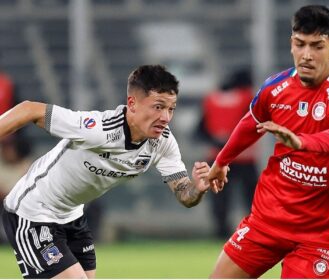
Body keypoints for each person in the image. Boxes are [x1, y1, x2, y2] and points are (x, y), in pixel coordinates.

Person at [207, 5, 329, 279]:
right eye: (300, 44)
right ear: (291, 44)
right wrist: (221, 161)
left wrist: (299, 141)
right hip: (268, 218)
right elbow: (251, 123)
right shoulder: (276, 87)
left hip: (320, 231)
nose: (307, 55)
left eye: (317, 46)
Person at [0, 65, 211, 279]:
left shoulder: (163, 143)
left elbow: (184, 194)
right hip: (32, 213)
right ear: (132, 104)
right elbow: (29, 109)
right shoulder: (98, 129)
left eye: (171, 109)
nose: (166, 117)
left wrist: (198, 187)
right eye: (158, 107)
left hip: (72, 217)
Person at [198, 69, 258, 239]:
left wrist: (217, 141)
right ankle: (253, 231)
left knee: (220, 199)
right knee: (251, 198)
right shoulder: (247, 98)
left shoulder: (211, 99)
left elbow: (200, 129)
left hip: (217, 157)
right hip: (244, 157)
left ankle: (220, 232)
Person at [0, 133, 32, 243]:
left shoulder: (27, 166)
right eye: (4, 146)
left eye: (9, 147)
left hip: (17, 208)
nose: (5, 150)